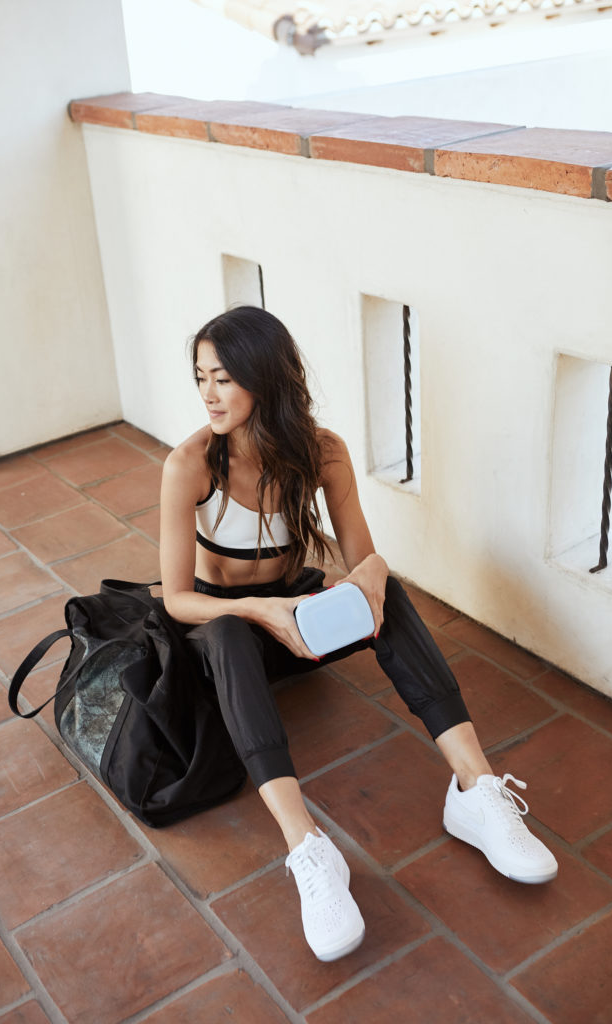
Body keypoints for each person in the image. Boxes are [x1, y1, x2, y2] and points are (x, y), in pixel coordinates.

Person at [159, 305, 557, 962]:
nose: (207, 393)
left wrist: (367, 581)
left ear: (263, 378)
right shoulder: (190, 465)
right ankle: (308, 851)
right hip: (225, 631)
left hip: (296, 620)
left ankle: (474, 790)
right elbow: (175, 600)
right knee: (230, 630)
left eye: (223, 378)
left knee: (387, 592)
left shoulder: (321, 451)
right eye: (200, 377)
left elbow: (363, 556)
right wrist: (259, 611)